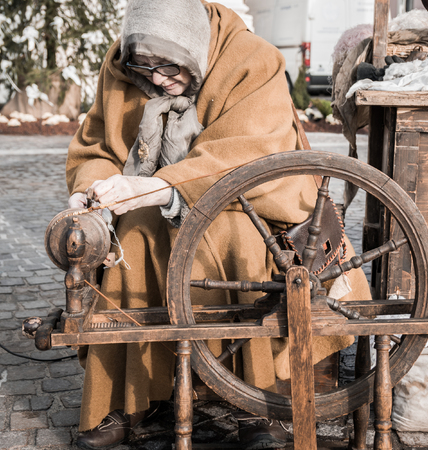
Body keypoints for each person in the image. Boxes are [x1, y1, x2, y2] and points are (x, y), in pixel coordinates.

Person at [66, 1, 371, 449]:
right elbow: (96, 144)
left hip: (253, 201)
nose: (155, 78)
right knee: (131, 236)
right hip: (153, 204)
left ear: (194, 46)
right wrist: (88, 191)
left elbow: (250, 155)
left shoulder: (254, 59)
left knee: (234, 236)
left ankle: (262, 404)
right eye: (143, 66)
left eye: (168, 66)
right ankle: (126, 398)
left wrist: (163, 187)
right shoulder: (122, 65)